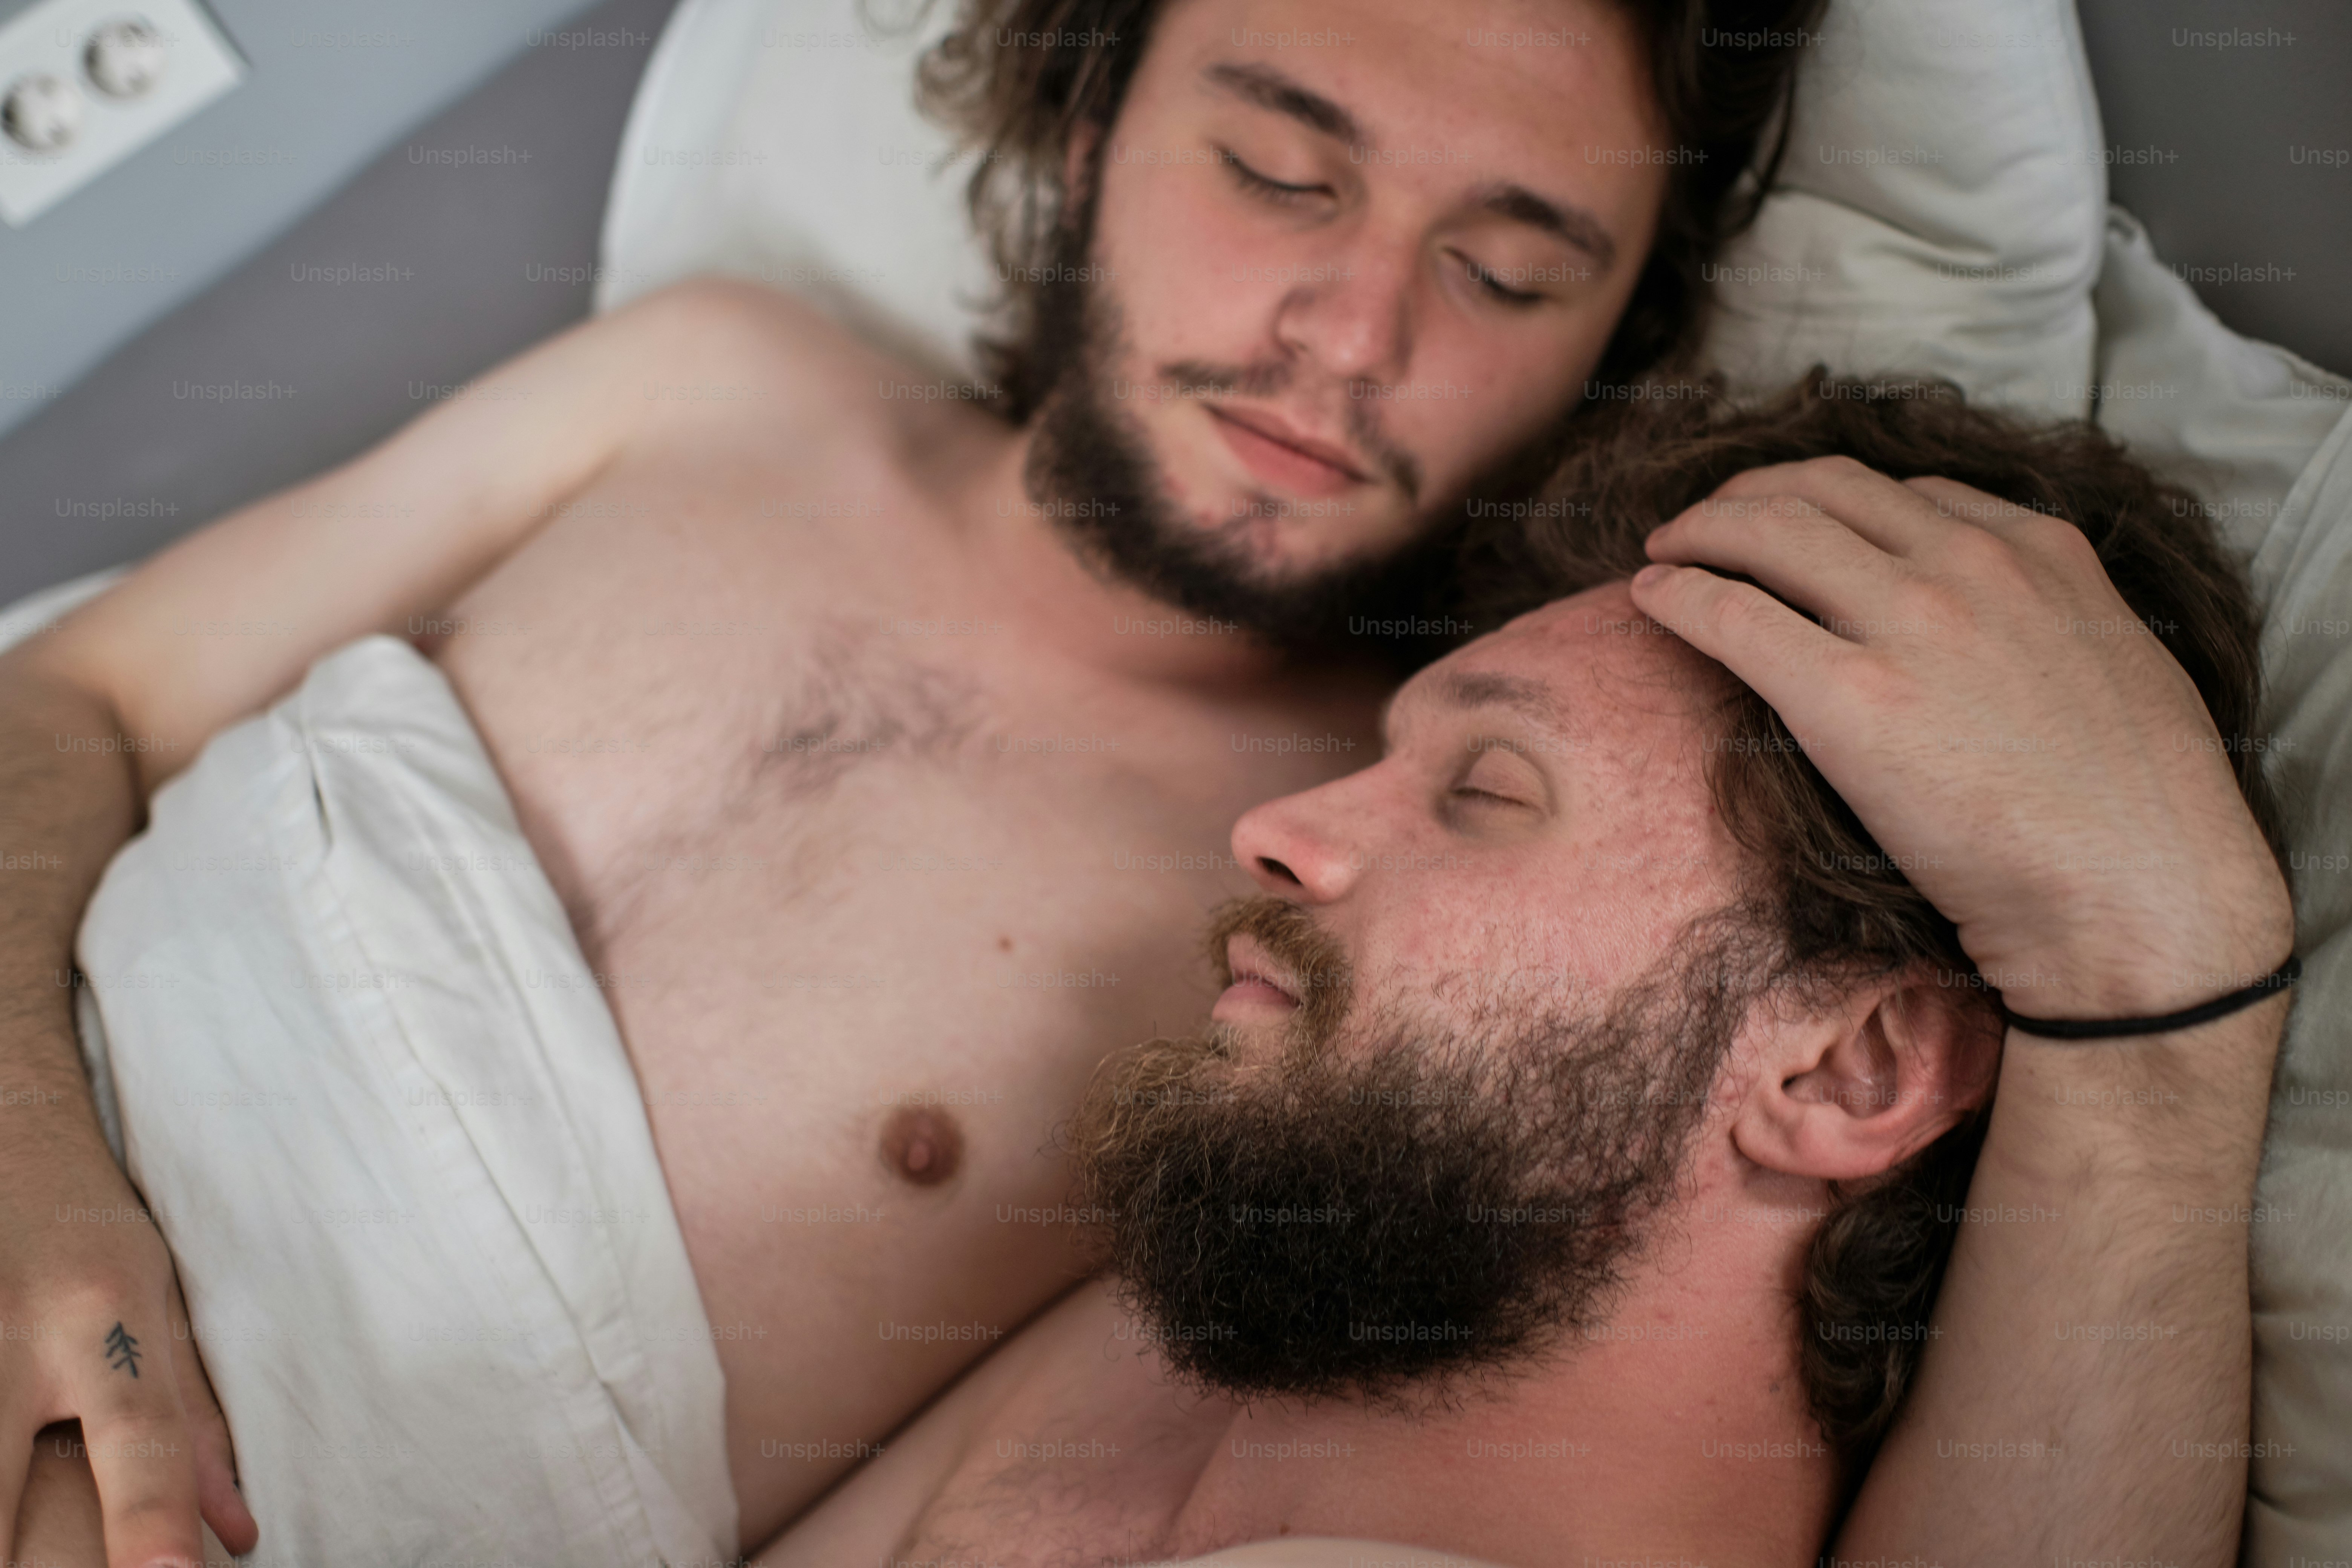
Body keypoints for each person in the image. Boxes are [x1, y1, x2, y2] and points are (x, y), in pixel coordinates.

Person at [0, 0, 2285, 1562]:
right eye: (1286, 170)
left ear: (1617, 347)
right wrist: (36, 1170)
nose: (1355, 332)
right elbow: (62, 707)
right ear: (1091, 121)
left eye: (1508, 269)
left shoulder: (1385, 946)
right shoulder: (712, 392)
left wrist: (2156, 996)